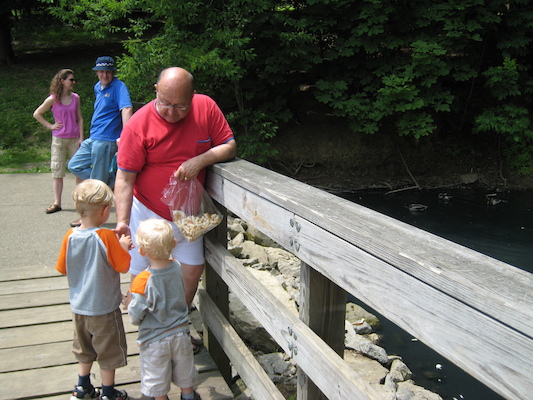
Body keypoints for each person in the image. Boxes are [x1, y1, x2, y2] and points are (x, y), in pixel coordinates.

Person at [114, 67, 237, 323]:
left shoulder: (206, 107)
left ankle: (175, 324)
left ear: (193, 96)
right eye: (165, 104)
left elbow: (228, 145)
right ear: (156, 90)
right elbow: (125, 178)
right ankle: (147, 325)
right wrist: (122, 221)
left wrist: (200, 160)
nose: (171, 113)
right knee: (141, 269)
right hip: (147, 213)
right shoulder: (138, 124)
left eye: (181, 106)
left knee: (192, 269)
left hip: (188, 215)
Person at [56, 179, 132, 400]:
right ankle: (108, 392)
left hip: (79, 307)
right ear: (105, 211)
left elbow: (62, 268)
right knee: (108, 351)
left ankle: (82, 388)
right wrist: (124, 247)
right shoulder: (106, 237)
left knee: (84, 348)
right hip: (104, 310)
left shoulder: (69, 236)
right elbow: (123, 266)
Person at [123, 218, 202, 400]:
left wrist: (130, 307)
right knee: (185, 372)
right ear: (174, 244)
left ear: (141, 251)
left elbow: (135, 316)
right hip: (181, 332)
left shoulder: (142, 281)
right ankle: (188, 396)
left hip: (154, 338)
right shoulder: (177, 267)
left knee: (157, 378)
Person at [68, 56, 133, 227]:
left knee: (95, 183)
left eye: (108, 71)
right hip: (93, 137)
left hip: (106, 140)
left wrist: (125, 136)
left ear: (113, 72)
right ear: (97, 72)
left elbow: (126, 108)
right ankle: (109, 184)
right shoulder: (98, 87)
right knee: (74, 165)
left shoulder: (119, 86)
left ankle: (89, 219)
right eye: (101, 71)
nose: (105, 75)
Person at [33, 68, 84, 214]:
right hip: (59, 139)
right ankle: (57, 203)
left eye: (73, 80)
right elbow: (37, 113)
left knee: (78, 171)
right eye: (71, 80)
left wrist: (81, 137)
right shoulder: (53, 98)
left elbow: (79, 118)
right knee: (57, 170)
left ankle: (79, 202)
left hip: (74, 138)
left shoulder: (76, 98)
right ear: (62, 81)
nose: (73, 82)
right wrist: (50, 126)